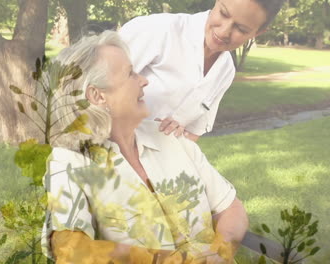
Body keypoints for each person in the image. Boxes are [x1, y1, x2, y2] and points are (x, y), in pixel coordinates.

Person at [41, 31, 248, 263]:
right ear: (97, 96)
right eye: (130, 74)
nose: (144, 80)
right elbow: (70, 250)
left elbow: (231, 208)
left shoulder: (170, 136)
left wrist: (220, 251)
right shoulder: (69, 161)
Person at [119, 0, 285, 141]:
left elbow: (193, 133)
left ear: (258, 33)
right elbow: (96, 92)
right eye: (224, 13)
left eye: (241, 29)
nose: (223, 31)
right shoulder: (156, 30)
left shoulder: (226, 70)